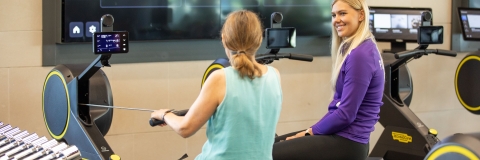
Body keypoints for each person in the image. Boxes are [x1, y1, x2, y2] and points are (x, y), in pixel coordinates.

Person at [151, 10, 283, 160]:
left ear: (224, 39)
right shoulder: (275, 75)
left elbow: (184, 128)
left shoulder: (220, 78)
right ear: (259, 39)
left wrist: (164, 115)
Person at [272, 0, 385, 159]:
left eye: (343, 13)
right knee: (273, 145)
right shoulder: (358, 48)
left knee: (269, 154)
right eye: (334, 15)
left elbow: (346, 114)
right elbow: (338, 109)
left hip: (348, 142)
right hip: (343, 136)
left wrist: (309, 132)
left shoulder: (360, 54)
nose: (336, 20)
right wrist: (311, 131)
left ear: (361, 15)